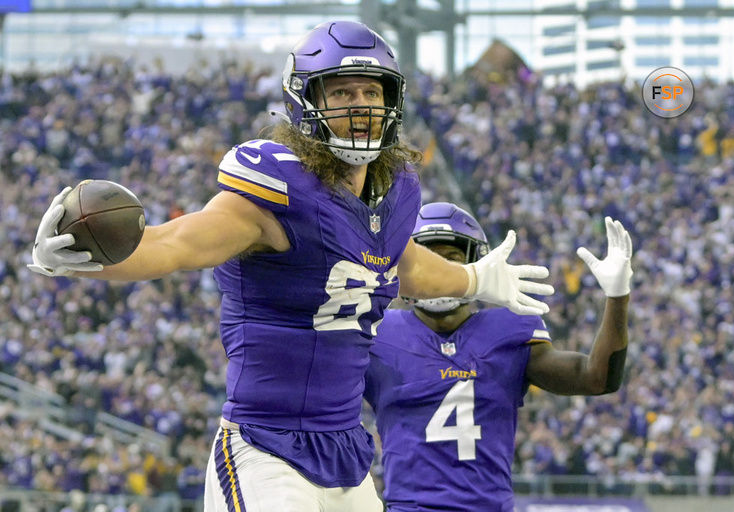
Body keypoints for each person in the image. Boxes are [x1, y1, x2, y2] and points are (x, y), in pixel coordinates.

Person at [26, 21, 554, 512]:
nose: (362, 106)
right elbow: (176, 244)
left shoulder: (395, 194)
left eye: (373, 92)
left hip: (348, 453)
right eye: (343, 92)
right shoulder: (277, 191)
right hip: (266, 447)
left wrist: (476, 279)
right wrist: (81, 264)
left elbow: (407, 266)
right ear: (306, 102)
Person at [365, 202, 633, 511]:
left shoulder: (510, 328)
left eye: (452, 259)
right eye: (431, 262)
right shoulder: (378, 330)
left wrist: (618, 296)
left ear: (479, 263)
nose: (443, 272)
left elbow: (597, 378)